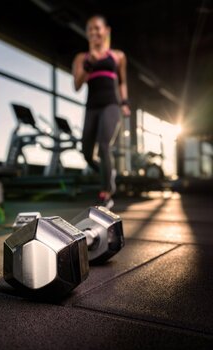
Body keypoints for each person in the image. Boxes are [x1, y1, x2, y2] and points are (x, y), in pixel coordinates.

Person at [72, 14, 131, 209]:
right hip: (92, 106)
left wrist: (124, 102)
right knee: (87, 153)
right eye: (90, 29)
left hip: (111, 105)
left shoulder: (118, 56)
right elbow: (77, 85)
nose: (94, 32)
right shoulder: (81, 57)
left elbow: (122, 82)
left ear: (106, 31)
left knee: (104, 144)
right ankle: (108, 172)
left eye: (97, 28)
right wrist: (90, 63)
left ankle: (106, 192)